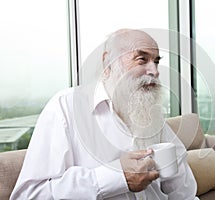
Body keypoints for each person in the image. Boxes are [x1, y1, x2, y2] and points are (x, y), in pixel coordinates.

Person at [10, 29, 198, 200]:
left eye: (156, 61)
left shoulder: (150, 113)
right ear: (108, 62)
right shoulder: (66, 107)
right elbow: (29, 195)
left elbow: (184, 191)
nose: (155, 71)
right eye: (142, 59)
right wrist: (116, 177)